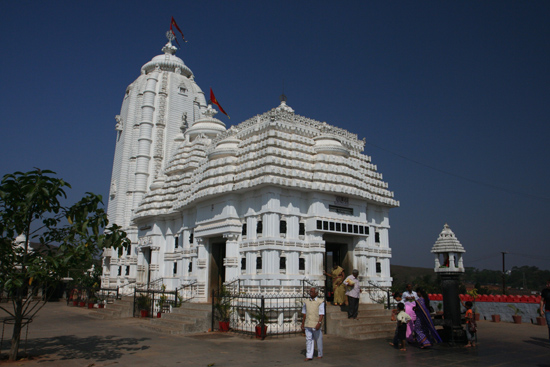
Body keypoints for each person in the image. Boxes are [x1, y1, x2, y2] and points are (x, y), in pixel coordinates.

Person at [301, 287, 325, 361]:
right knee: (308, 339)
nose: (311, 293)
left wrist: (319, 323)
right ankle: (309, 355)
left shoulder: (320, 302)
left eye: (312, 291)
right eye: (310, 291)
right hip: (308, 323)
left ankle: (320, 353)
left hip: (315, 323)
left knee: (318, 339)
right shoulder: (306, 301)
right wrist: (303, 323)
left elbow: (321, 314)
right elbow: (304, 313)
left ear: (316, 293)